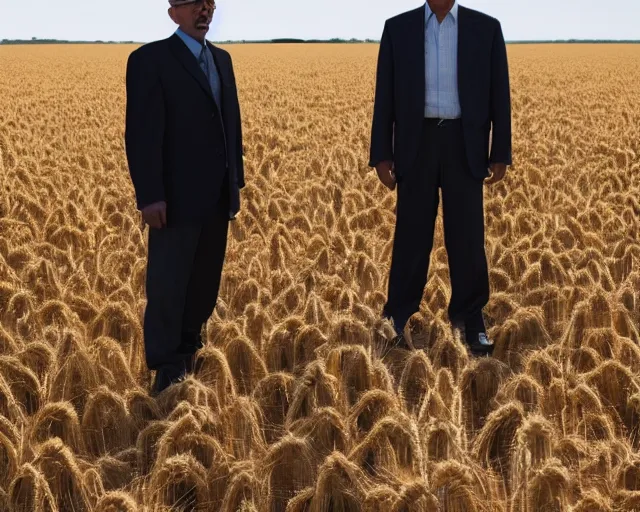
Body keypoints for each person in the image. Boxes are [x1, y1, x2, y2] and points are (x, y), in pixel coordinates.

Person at [369, 0, 512, 356]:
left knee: (467, 236)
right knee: (410, 235)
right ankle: (398, 315)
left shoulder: (486, 28)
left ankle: (470, 317)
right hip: (416, 142)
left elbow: (500, 94)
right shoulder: (397, 28)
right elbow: (384, 95)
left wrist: (500, 152)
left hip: (465, 142)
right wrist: (381, 153)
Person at [124, 0, 244, 394]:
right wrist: (150, 195)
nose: (205, 11)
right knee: (168, 283)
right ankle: (165, 366)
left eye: (209, 3)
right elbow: (141, 134)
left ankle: (191, 348)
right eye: (195, 4)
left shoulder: (222, 60)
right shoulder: (150, 60)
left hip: (215, 196)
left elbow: (231, 125)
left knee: (204, 282)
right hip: (173, 199)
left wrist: (234, 185)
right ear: (174, 12)